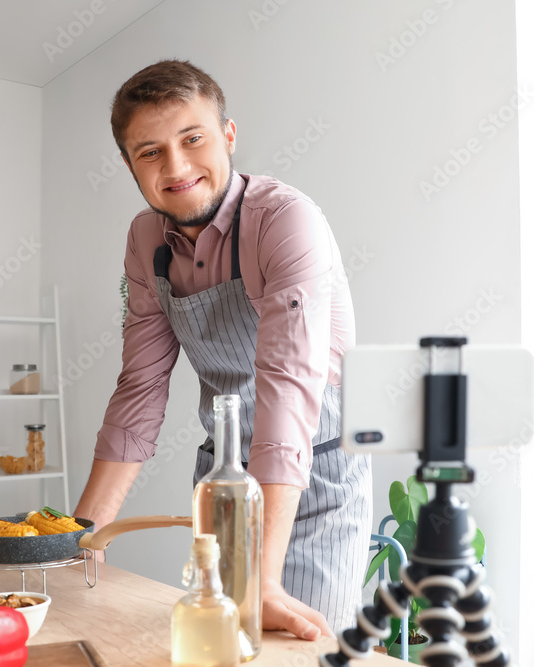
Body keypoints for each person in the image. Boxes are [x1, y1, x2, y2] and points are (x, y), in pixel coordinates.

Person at [73, 59, 372, 640]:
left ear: (227, 136)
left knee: (288, 645)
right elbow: (140, 387)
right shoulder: (143, 240)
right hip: (222, 475)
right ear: (129, 163)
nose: (176, 167)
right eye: (150, 151)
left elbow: (287, 390)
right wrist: (82, 536)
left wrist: (260, 580)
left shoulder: (285, 221)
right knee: (220, 643)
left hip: (317, 474)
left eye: (192, 139)